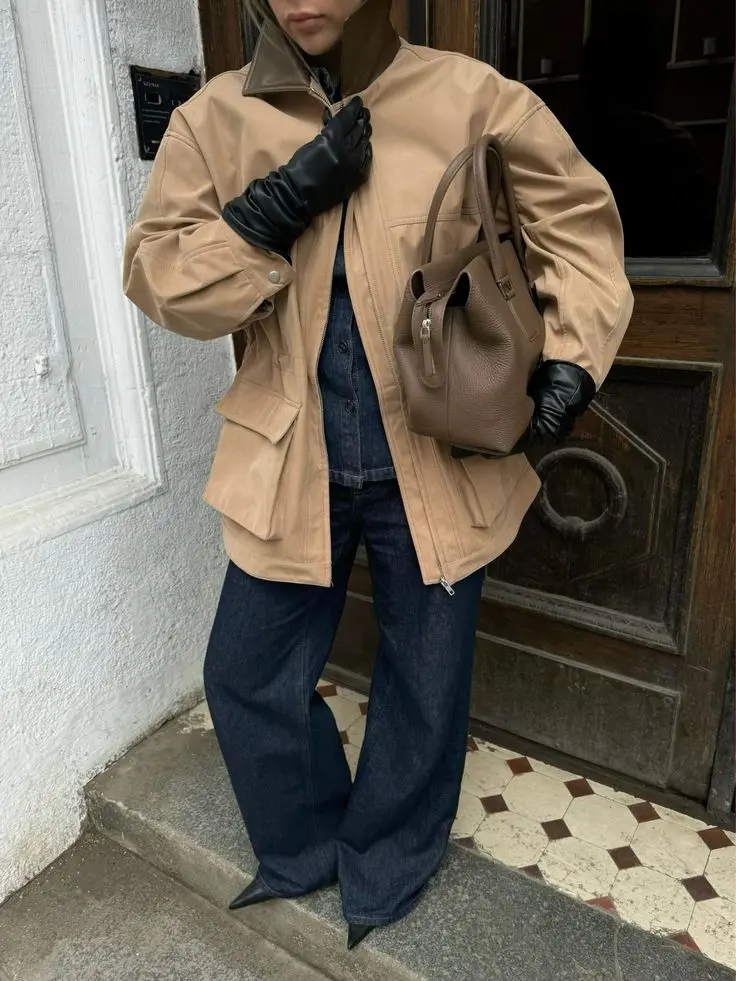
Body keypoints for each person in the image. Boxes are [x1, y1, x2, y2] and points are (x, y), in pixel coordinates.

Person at [123, 0, 634, 950]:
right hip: (291, 457)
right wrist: (273, 208)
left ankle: (390, 859)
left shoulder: (474, 97)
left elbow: (580, 231)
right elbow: (161, 278)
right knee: (244, 675)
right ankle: (304, 843)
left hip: (436, 460)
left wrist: (568, 358)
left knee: (425, 681)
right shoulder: (216, 120)